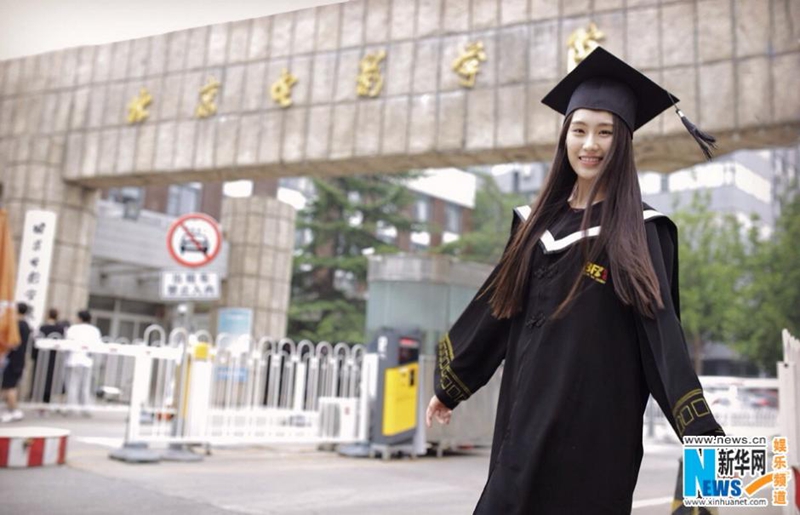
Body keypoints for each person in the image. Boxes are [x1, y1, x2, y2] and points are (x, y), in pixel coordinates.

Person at [425, 47, 724, 514]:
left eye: (605, 132)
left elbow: (663, 340)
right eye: (579, 130)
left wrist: (709, 448)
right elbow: (496, 309)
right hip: (521, 429)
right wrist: (452, 384)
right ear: (564, 136)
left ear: (622, 142)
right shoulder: (532, 225)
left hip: (594, 439)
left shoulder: (641, 231)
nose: (590, 144)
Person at [64, 309, 102, 415]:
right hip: (87, 360)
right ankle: (86, 408)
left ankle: (71, 408)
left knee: (72, 385)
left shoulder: (73, 329)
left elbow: (67, 342)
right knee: (85, 386)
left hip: (73, 360)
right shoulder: (94, 330)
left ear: (80, 318)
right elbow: (97, 345)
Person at [1, 303, 31, 422]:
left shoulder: (17, 325)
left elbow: (13, 343)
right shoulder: (26, 325)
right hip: (19, 359)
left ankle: (13, 410)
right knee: (8, 386)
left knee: (10, 386)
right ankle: (10, 409)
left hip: (13, 359)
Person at [33, 308, 68, 404]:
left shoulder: (42, 328)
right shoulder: (61, 329)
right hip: (55, 358)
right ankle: (55, 401)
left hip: (42, 358)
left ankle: (41, 400)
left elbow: (36, 342)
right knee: (54, 378)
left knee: (42, 379)